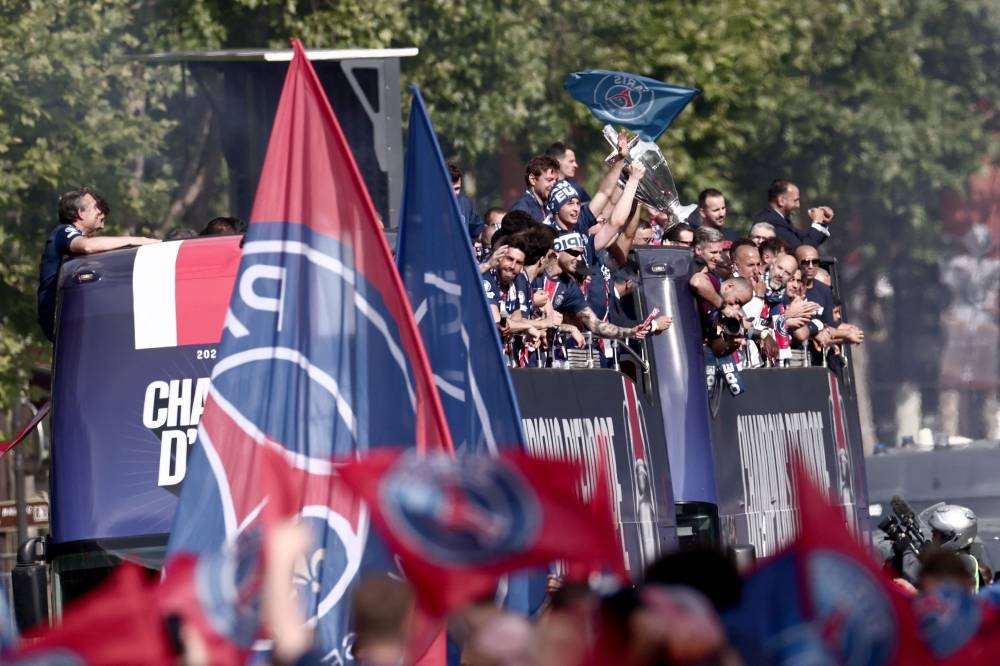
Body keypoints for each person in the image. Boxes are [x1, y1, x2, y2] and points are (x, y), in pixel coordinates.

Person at [37, 187, 159, 341]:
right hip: (60, 319)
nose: (101, 222)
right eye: (96, 211)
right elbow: (86, 246)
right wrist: (135, 240)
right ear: (81, 213)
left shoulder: (70, 234)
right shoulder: (64, 231)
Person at [752, 179, 834, 250]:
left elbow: (803, 239)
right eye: (795, 200)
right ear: (781, 201)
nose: (798, 205)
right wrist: (817, 222)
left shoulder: (781, 220)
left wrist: (823, 222)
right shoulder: (771, 222)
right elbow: (802, 250)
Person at [508, 155, 561, 223]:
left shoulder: (550, 207)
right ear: (532, 179)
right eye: (549, 180)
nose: (555, 185)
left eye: (556, 180)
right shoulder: (521, 211)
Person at [449, 163, 485, 238]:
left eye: (457, 188)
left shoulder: (465, 203)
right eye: (449, 189)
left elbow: (477, 230)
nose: (454, 193)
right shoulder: (429, 206)